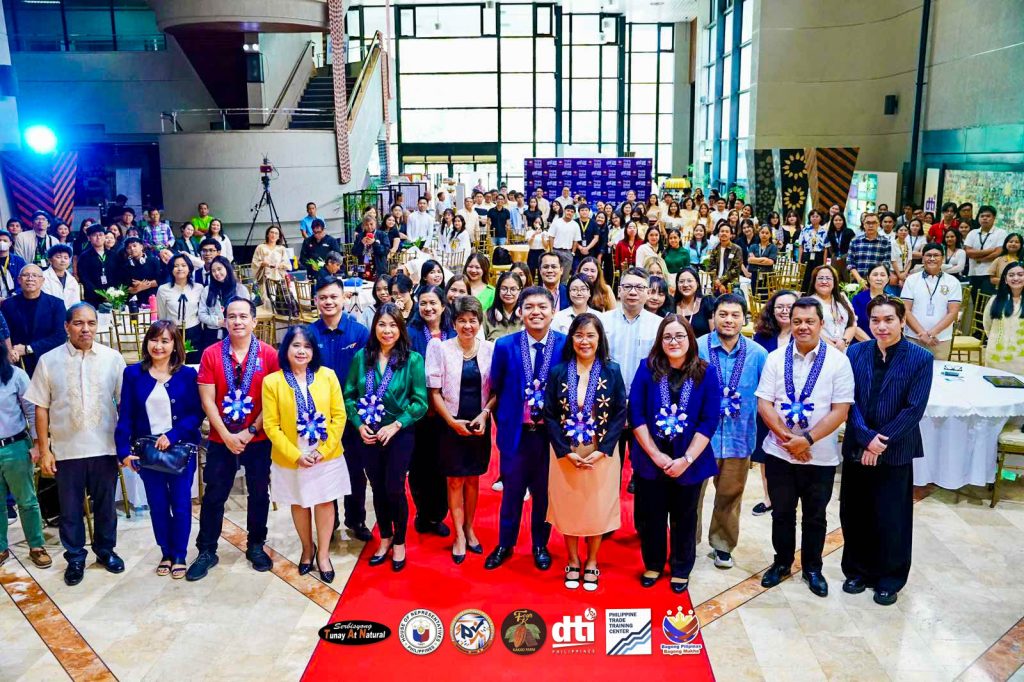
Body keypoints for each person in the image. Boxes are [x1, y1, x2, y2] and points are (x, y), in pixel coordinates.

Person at [756, 297, 855, 597]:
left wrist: (807, 441)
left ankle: (812, 568)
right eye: (797, 321)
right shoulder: (776, 358)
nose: (802, 327)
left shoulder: (839, 361)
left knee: (815, 516)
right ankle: (782, 562)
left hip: (819, 456)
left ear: (821, 324)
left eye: (809, 321)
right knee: (782, 513)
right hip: (779, 453)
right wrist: (790, 440)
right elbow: (764, 403)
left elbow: (841, 410)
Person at [26, 303, 126, 585]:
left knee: (106, 506)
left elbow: (124, 404)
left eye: (91, 323)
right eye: (79, 323)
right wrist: (45, 449)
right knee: (69, 509)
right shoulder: (49, 360)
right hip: (67, 450)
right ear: (67, 326)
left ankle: (106, 551)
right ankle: (75, 557)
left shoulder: (113, 359)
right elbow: (41, 408)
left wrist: (125, 446)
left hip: (104, 447)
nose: (86, 329)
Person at [841, 295, 931, 605]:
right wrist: (866, 438)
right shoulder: (855, 353)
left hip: (895, 450)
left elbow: (913, 409)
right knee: (855, 512)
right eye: (876, 320)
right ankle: (856, 571)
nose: (882, 326)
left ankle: (889, 578)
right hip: (858, 446)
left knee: (891, 516)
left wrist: (880, 442)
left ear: (903, 321)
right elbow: (847, 400)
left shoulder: (920, 358)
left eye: (889, 320)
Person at [187, 298, 280, 581]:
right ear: (224, 320)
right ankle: (206, 550)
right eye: (232, 317)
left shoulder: (269, 354)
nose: (237, 322)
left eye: (243, 316)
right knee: (215, 494)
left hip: (258, 437)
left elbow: (272, 401)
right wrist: (227, 435)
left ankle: (255, 545)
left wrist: (249, 431)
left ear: (254, 320)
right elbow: (207, 401)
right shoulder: (212, 354)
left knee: (259, 493)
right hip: (220, 438)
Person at [630, 314, 721, 593]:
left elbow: (709, 420)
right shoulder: (647, 369)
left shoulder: (706, 372)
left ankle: (681, 567)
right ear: (660, 341)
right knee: (652, 515)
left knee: (685, 516)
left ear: (690, 340)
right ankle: (654, 563)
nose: (674, 341)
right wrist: (656, 455)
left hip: (689, 460)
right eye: (667, 336)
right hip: (651, 458)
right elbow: (636, 414)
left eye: (680, 336)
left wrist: (687, 459)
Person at [543, 313, 626, 590]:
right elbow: (550, 414)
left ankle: (591, 560)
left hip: (599, 452)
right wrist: (564, 450)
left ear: (599, 338)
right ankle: (573, 559)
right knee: (570, 507)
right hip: (567, 452)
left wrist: (603, 450)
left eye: (590, 335)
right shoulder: (558, 372)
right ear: (571, 339)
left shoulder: (611, 371)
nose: (584, 341)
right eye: (579, 335)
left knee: (596, 508)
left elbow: (619, 413)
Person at [485, 287, 566, 572]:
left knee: (543, 494)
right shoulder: (506, 346)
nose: (536, 312)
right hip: (516, 434)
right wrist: (504, 423)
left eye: (542, 307)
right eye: (529, 306)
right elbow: (496, 385)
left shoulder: (564, 345)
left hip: (549, 436)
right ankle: (505, 544)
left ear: (553, 311)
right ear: (520, 311)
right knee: (512, 493)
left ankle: (540, 545)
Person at [114, 321, 203, 580]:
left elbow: (195, 413)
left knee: (181, 504)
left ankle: (180, 555)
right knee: (158, 504)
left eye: (165, 340)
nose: (159, 345)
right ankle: (165, 551)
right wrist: (123, 451)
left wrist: (172, 435)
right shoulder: (133, 374)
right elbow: (126, 416)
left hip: (180, 452)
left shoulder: (187, 375)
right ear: (147, 343)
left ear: (175, 345)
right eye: (154, 339)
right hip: (147, 454)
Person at [343, 303, 428, 571]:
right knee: (377, 487)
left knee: (394, 487)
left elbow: (420, 402)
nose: (387, 330)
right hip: (368, 434)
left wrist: (397, 425)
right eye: (382, 324)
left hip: (398, 435)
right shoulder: (361, 358)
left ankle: (400, 541)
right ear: (374, 327)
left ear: (401, 328)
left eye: (393, 325)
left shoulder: (412, 359)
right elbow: (348, 397)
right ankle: (386, 537)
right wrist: (358, 424)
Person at [263, 325, 348, 583]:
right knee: (299, 502)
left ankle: (323, 554)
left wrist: (323, 450)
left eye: (307, 346)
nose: (301, 351)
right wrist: (295, 455)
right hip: (291, 457)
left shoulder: (328, 376)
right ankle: (307, 549)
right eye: (296, 345)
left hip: (326, 455)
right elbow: (271, 425)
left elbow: (339, 416)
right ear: (285, 348)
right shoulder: (272, 382)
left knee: (324, 502)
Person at [696, 295, 769, 569]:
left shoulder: (758, 354)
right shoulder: (699, 347)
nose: (728, 320)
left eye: (735, 315)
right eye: (723, 314)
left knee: (730, 495)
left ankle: (722, 546)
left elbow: (766, 396)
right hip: (701, 439)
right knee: (693, 496)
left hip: (739, 437)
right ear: (713, 317)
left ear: (744, 319)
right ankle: (687, 544)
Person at [425, 296, 494, 563]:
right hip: (450, 424)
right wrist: (451, 422)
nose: (467, 325)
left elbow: (496, 390)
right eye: (462, 320)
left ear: (480, 322)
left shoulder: (490, 349)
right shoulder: (440, 348)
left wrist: (485, 414)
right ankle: (459, 535)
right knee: (454, 480)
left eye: (472, 320)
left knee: (473, 479)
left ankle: (470, 527)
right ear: (453, 323)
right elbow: (435, 391)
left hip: (479, 423)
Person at [308, 278, 372, 542]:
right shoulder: (308, 334)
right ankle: (329, 520)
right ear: (315, 301)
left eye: (334, 297)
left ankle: (356, 519)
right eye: (323, 297)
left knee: (355, 469)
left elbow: (368, 374)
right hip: (319, 418)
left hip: (352, 414)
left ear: (344, 298)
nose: (329, 302)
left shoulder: (359, 333)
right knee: (324, 469)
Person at [406, 286, 454, 537]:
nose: (428, 308)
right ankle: (423, 513)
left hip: (450, 409)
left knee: (443, 463)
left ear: (443, 305)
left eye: (433, 303)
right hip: (420, 410)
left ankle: (439, 514)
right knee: (420, 464)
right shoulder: (411, 333)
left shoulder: (453, 331)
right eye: (423, 303)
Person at [0, 338, 50, 569]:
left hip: (15, 447)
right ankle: (1, 548)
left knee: (27, 501)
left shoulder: (15, 376)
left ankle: (36, 546)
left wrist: (39, 445)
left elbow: (32, 411)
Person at [2, 265, 67, 375]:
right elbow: (4, 333)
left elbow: (60, 336)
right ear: (19, 280)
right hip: (17, 363)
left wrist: (29, 349)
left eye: (35, 275)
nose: (30, 278)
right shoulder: (8, 305)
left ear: (42, 280)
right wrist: (10, 351)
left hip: (49, 361)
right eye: (26, 275)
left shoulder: (56, 304)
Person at [901, 243, 962, 359]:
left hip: (940, 339)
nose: (932, 258)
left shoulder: (953, 282)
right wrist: (922, 334)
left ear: (942, 258)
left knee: (938, 374)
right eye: (928, 255)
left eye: (936, 255)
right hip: (913, 338)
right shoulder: (911, 280)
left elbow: (952, 312)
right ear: (923, 258)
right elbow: (906, 310)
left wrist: (931, 333)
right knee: (911, 373)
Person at [156, 254, 204, 359]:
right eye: (176, 266)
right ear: (171, 269)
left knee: (194, 363)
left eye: (183, 265)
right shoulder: (163, 289)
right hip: (172, 332)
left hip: (194, 332)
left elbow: (202, 312)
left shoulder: (199, 288)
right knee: (173, 364)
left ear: (189, 268)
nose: (180, 268)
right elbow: (162, 315)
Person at [199, 257, 250, 349]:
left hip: (236, 332)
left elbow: (248, 313)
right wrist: (218, 322)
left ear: (227, 268)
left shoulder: (240, 289)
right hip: (212, 335)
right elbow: (201, 314)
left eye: (219, 269)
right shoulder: (207, 290)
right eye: (213, 271)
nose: (217, 273)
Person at [983, 263, 1024, 375]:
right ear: (1005, 280)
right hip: (996, 358)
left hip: (1021, 361)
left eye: (1020, 274)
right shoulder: (995, 300)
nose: (1016, 278)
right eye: (1011, 275)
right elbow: (987, 326)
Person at [810, 265, 856, 352]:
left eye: (828, 278)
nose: (824, 281)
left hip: (843, 350)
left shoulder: (842, 298)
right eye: (820, 278)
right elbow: (810, 329)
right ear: (814, 281)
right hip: (820, 350)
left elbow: (853, 324)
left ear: (834, 281)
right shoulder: (809, 302)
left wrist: (844, 342)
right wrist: (832, 347)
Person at [964, 205, 1006, 296]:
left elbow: (998, 253)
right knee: (975, 302)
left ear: (994, 218)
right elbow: (968, 252)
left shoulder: (1001, 233)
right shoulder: (972, 233)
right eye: (982, 216)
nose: (985, 218)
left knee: (986, 302)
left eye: (988, 216)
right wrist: (989, 250)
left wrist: (979, 259)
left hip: (990, 274)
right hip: (973, 272)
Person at [852, 263, 895, 341]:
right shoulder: (858, 299)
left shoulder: (892, 300)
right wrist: (873, 345)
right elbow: (853, 326)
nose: (879, 278)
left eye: (882, 275)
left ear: (888, 279)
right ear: (868, 278)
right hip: (862, 345)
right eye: (875, 275)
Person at [252, 225, 291, 303]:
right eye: (271, 232)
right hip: (265, 277)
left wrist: (279, 265)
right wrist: (263, 263)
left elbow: (287, 264)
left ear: (279, 236)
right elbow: (255, 262)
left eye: (276, 233)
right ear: (267, 234)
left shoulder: (281, 248)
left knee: (280, 301)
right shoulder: (261, 247)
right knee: (267, 301)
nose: (273, 235)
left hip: (278, 277)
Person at [119, 236, 162, 305]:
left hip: (154, 298)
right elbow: (127, 288)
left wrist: (142, 284)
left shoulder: (154, 261)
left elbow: (159, 281)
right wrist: (138, 288)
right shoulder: (125, 266)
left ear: (141, 247)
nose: (132, 249)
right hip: (136, 301)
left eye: (134, 246)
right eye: (129, 248)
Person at [673, 267, 715, 338]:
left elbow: (714, 335)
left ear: (697, 283)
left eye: (689, 281)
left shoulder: (707, 302)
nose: (685, 285)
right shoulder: (672, 305)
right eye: (681, 281)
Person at [484, 271, 524, 341]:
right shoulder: (486, 315)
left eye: (513, 289)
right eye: (504, 289)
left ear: (520, 290)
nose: (508, 293)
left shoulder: (526, 315)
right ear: (498, 290)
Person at [797, 210, 829, 293]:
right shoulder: (805, 230)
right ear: (810, 218)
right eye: (813, 216)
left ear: (821, 218)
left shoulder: (824, 231)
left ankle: (817, 293)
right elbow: (800, 246)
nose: (814, 218)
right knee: (806, 276)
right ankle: (804, 294)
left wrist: (824, 263)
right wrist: (799, 260)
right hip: (807, 255)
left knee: (817, 275)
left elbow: (826, 248)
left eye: (817, 216)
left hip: (819, 255)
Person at [548, 204, 581, 284]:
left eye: (572, 212)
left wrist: (572, 252)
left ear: (574, 214)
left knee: (564, 277)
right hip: (555, 251)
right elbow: (551, 237)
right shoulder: (556, 222)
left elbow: (576, 240)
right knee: (554, 274)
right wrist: (551, 250)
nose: (569, 213)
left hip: (568, 253)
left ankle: (562, 293)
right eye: (568, 211)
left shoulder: (575, 225)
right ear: (564, 211)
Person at [41, 244, 80, 308]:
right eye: (58, 257)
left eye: (66, 258)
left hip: (69, 315)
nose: (63, 260)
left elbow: (76, 303)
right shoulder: (43, 277)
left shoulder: (72, 280)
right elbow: (45, 301)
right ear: (50, 260)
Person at [709, 224, 744, 295]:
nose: (724, 233)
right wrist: (718, 283)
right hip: (716, 284)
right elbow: (711, 267)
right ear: (718, 234)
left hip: (732, 283)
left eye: (727, 231)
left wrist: (721, 280)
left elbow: (736, 269)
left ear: (731, 235)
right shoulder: (715, 249)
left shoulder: (737, 249)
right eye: (722, 231)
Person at [747, 225, 778, 294]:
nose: (764, 235)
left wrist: (755, 260)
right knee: (754, 296)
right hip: (755, 276)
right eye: (762, 232)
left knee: (765, 298)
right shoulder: (753, 246)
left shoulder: (773, 247)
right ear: (759, 233)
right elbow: (750, 260)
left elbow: (770, 262)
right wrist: (764, 259)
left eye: (767, 233)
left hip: (767, 277)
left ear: (770, 235)